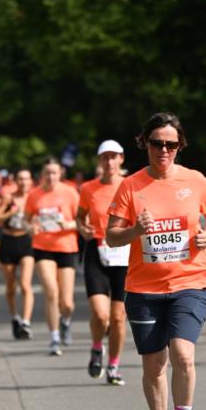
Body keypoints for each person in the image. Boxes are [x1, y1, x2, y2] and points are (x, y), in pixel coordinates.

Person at [106, 111, 206, 410]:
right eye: (157, 143)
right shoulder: (131, 186)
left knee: (183, 353)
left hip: (190, 279)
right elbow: (111, 238)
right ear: (145, 144)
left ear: (179, 146)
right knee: (154, 364)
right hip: (143, 288)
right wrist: (136, 231)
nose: (164, 150)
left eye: (171, 144)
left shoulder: (195, 180)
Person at [77, 141, 129, 384]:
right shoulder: (89, 189)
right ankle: (97, 346)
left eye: (113, 157)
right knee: (100, 314)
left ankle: (114, 366)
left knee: (118, 318)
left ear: (121, 159)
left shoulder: (131, 186)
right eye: (104, 157)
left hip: (125, 255)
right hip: (97, 250)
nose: (109, 162)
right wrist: (83, 229)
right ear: (99, 161)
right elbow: (79, 216)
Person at [25, 157, 80, 356]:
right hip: (42, 247)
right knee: (51, 292)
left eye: (54, 173)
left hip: (66, 247)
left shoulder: (70, 192)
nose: (50, 176)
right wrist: (30, 228)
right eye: (47, 173)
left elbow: (83, 220)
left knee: (67, 302)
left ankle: (65, 320)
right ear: (42, 175)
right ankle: (54, 337)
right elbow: (26, 221)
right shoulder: (34, 194)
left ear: (60, 174)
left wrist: (70, 225)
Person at [0, 169, 36, 339]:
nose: (23, 182)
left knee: (25, 284)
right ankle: (14, 317)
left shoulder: (34, 197)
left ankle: (26, 322)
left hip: (26, 241)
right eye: (20, 179)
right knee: (10, 287)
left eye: (26, 179)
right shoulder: (8, 197)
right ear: (15, 181)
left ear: (31, 181)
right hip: (8, 241)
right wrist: (11, 211)